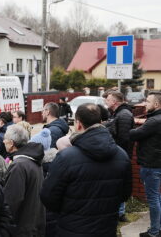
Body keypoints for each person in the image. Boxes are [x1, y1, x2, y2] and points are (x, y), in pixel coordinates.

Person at [41, 103, 131, 237]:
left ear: (78, 124)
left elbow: (48, 197)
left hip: (71, 228)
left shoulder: (65, 157)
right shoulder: (122, 155)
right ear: (100, 122)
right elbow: (125, 194)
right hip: (106, 228)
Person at [3, 125, 45, 236]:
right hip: (35, 224)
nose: (3, 141)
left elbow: (11, 201)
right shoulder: (33, 159)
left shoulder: (19, 166)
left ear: (11, 143)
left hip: (22, 228)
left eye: (5, 139)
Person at [129, 92, 161, 237]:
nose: (145, 104)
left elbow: (134, 134)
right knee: (157, 197)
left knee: (153, 198)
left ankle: (154, 232)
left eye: (147, 102)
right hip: (156, 163)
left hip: (151, 164)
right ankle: (158, 227)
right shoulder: (155, 119)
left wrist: (127, 128)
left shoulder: (154, 121)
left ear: (156, 104)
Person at [104, 91, 134, 222]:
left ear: (115, 102)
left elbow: (124, 140)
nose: (106, 101)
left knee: (119, 184)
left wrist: (119, 157)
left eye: (108, 99)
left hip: (120, 158)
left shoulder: (124, 115)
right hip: (117, 156)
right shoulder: (118, 114)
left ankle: (120, 213)